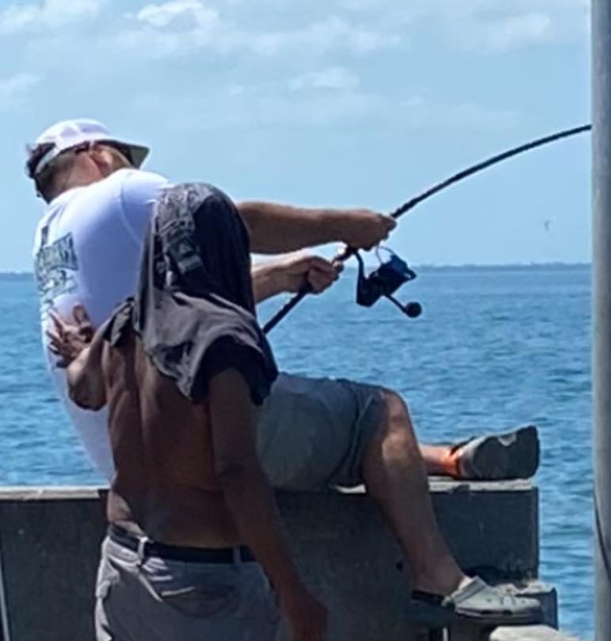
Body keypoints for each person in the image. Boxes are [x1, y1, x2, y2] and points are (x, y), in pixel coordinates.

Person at [30, 119, 543, 626]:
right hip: (200, 518)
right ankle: (438, 578)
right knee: (379, 413)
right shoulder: (119, 195)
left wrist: (279, 275)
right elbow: (229, 227)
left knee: (334, 428)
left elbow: (162, 317)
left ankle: (445, 459)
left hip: (130, 481)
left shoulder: (53, 238)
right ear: (97, 153)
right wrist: (347, 225)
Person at [52, 182, 325, 641]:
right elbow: (236, 471)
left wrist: (84, 348)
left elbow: (84, 388)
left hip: (122, 565)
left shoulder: (125, 322)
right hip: (201, 584)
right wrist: (292, 591)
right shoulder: (225, 340)